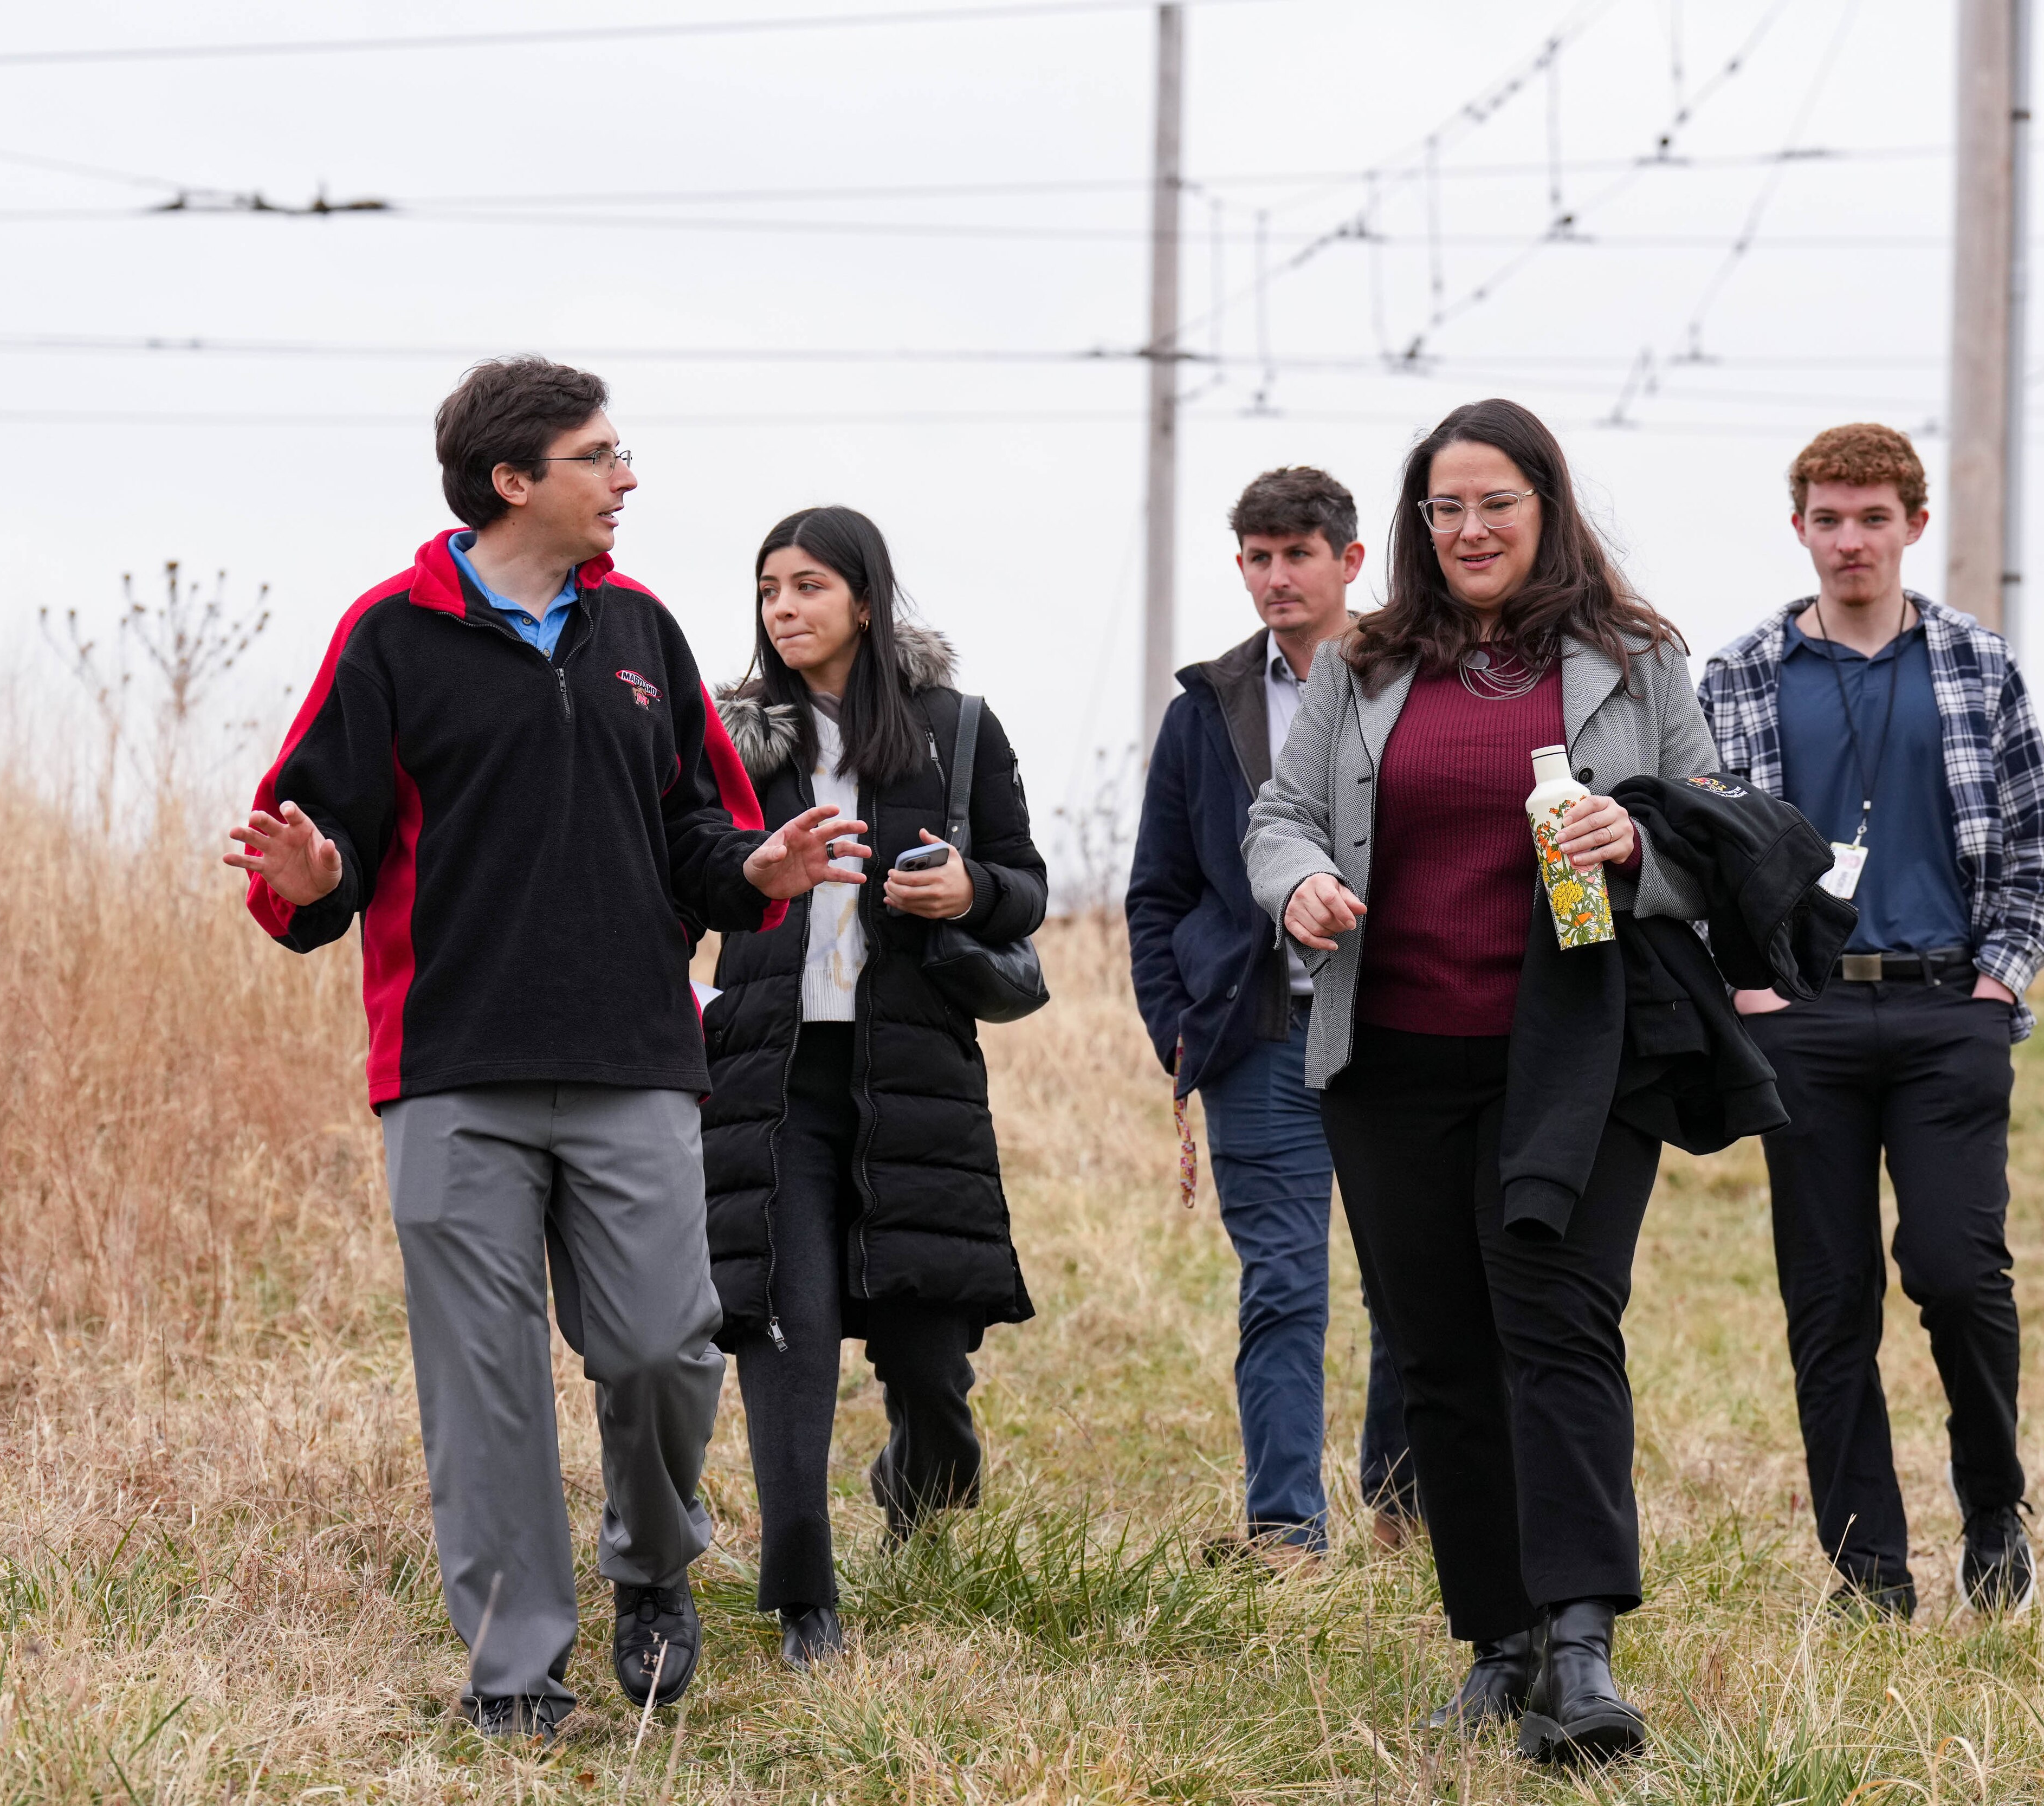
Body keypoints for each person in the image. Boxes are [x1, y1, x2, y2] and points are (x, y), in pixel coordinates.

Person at [226, 357, 868, 1740]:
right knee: (486, 1380)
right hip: (451, 1070)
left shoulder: (641, 630)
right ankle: (517, 1667)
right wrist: (308, 864)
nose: (626, 479)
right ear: (514, 479)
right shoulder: (389, 635)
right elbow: (305, 867)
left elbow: (703, 829)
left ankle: (651, 1559)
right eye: (599, 456)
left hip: (637, 1052)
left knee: (662, 1345)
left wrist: (756, 863)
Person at [1246, 399, 1720, 1765]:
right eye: (1444, 509)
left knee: (1559, 1327)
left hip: (1570, 1051)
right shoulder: (1366, 659)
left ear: (1545, 506)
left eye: (1494, 504)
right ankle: (1498, 1642)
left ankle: (1582, 1647)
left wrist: (1635, 836)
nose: (1468, 530)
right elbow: (1281, 813)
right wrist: (1305, 883)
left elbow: (1712, 822)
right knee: (1442, 1354)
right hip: (1386, 1056)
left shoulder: (1633, 659)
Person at [1696, 422, 2044, 1620]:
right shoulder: (1741, 674)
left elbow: (2031, 845)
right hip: (1800, 1018)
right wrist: (1746, 981)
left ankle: (1994, 1503)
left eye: (1871, 518)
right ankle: (1868, 1572)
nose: (1849, 540)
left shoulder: (1974, 663)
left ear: (1911, 524)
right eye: (1827, 518)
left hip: (1945, 1010)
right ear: (1796, 527)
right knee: (1828, 1295)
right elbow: (1703, 849)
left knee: (1956, 1273)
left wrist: (1996, 982)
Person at [702, 506, 1045, 1672]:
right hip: (771, 1076)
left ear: (863, 596)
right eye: (767, 590)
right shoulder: (728, 741)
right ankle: (806, 1598)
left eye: (806, 586)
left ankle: (920, 1483)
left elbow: (1025, 882)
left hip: (910, 1071)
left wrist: (970, 889)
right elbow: (681, 874)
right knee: (782, 1329)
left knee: (925, 1354)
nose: (783, 608)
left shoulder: (956, 727)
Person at [1125, 465, 1418, 1561]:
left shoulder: (1417, 683)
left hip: (1400, 1025)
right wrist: (1182, 1023)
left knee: (1412, 1282)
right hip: (1259, 1036)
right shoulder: (1205, 707)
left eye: (1297, 553)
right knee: (1285, 1283)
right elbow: (1156, 890)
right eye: (1257, 554)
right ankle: (1286, 1527)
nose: (1275, 575)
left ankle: (1406, 1506)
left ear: (1349, 561)